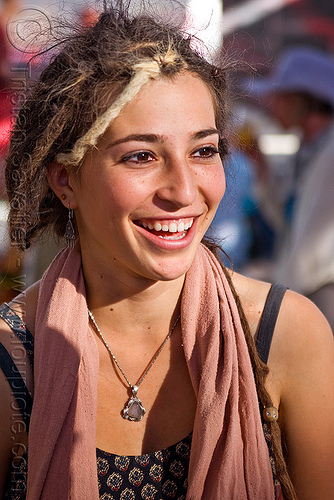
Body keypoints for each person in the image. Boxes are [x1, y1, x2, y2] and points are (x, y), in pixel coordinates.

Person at [0, 3, 333, 499]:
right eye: (141, 156)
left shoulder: (284, 335)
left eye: (204, 150)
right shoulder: (12, 360)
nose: (183, 191)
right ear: (65, 180)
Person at [248, 47, 334, 330]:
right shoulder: (310, 149)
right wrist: (263, 168)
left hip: (322, 295)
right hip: (307, 293)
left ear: (303, 99)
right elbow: (288, 220)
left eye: (280, 97)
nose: (272, 105)